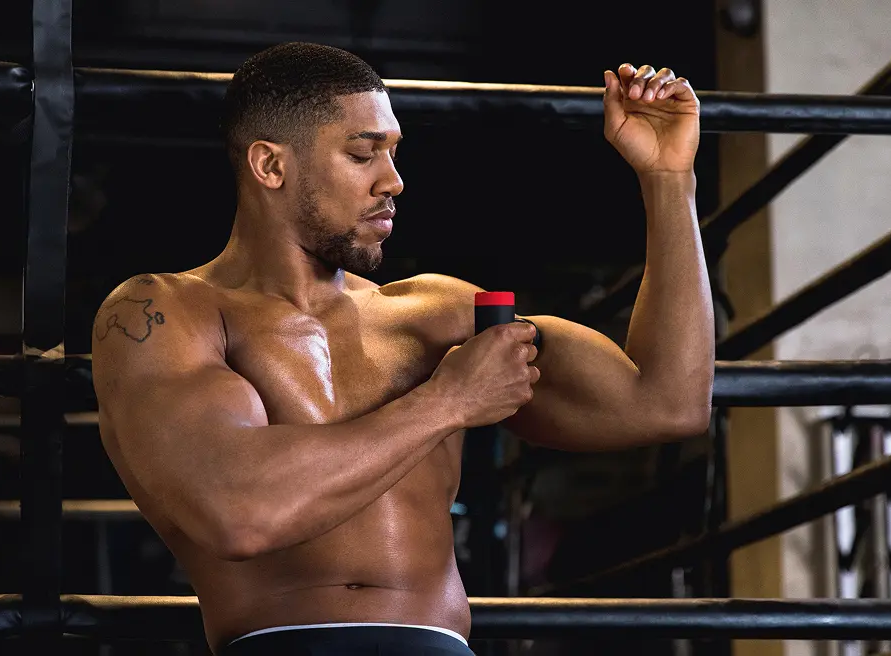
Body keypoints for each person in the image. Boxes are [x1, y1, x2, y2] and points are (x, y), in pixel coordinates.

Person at [91, 42, 714, 656]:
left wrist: (669, 180)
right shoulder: (164, 313)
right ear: (270, 166)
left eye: (393, 152)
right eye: (363, 154)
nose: (393, 181)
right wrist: (448, 402)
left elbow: (667, 402)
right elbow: (238, 515)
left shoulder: (435, 314)